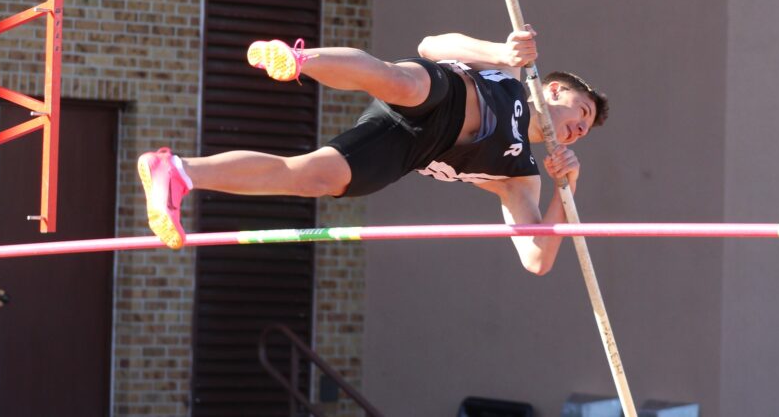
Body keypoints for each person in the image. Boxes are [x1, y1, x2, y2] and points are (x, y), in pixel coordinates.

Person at [137, 28, 609, 275]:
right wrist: (499, 52)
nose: (581, 126)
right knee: (400, 80)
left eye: (586, 128)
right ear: (552, 91)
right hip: (444, 91)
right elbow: (430, 44)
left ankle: (178, 171)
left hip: (409, 146)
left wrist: (564, 191)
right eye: (582, 110)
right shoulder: (512, 76)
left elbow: (538, 259)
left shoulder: (521, 174)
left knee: (312, 177)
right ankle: (299, 59)